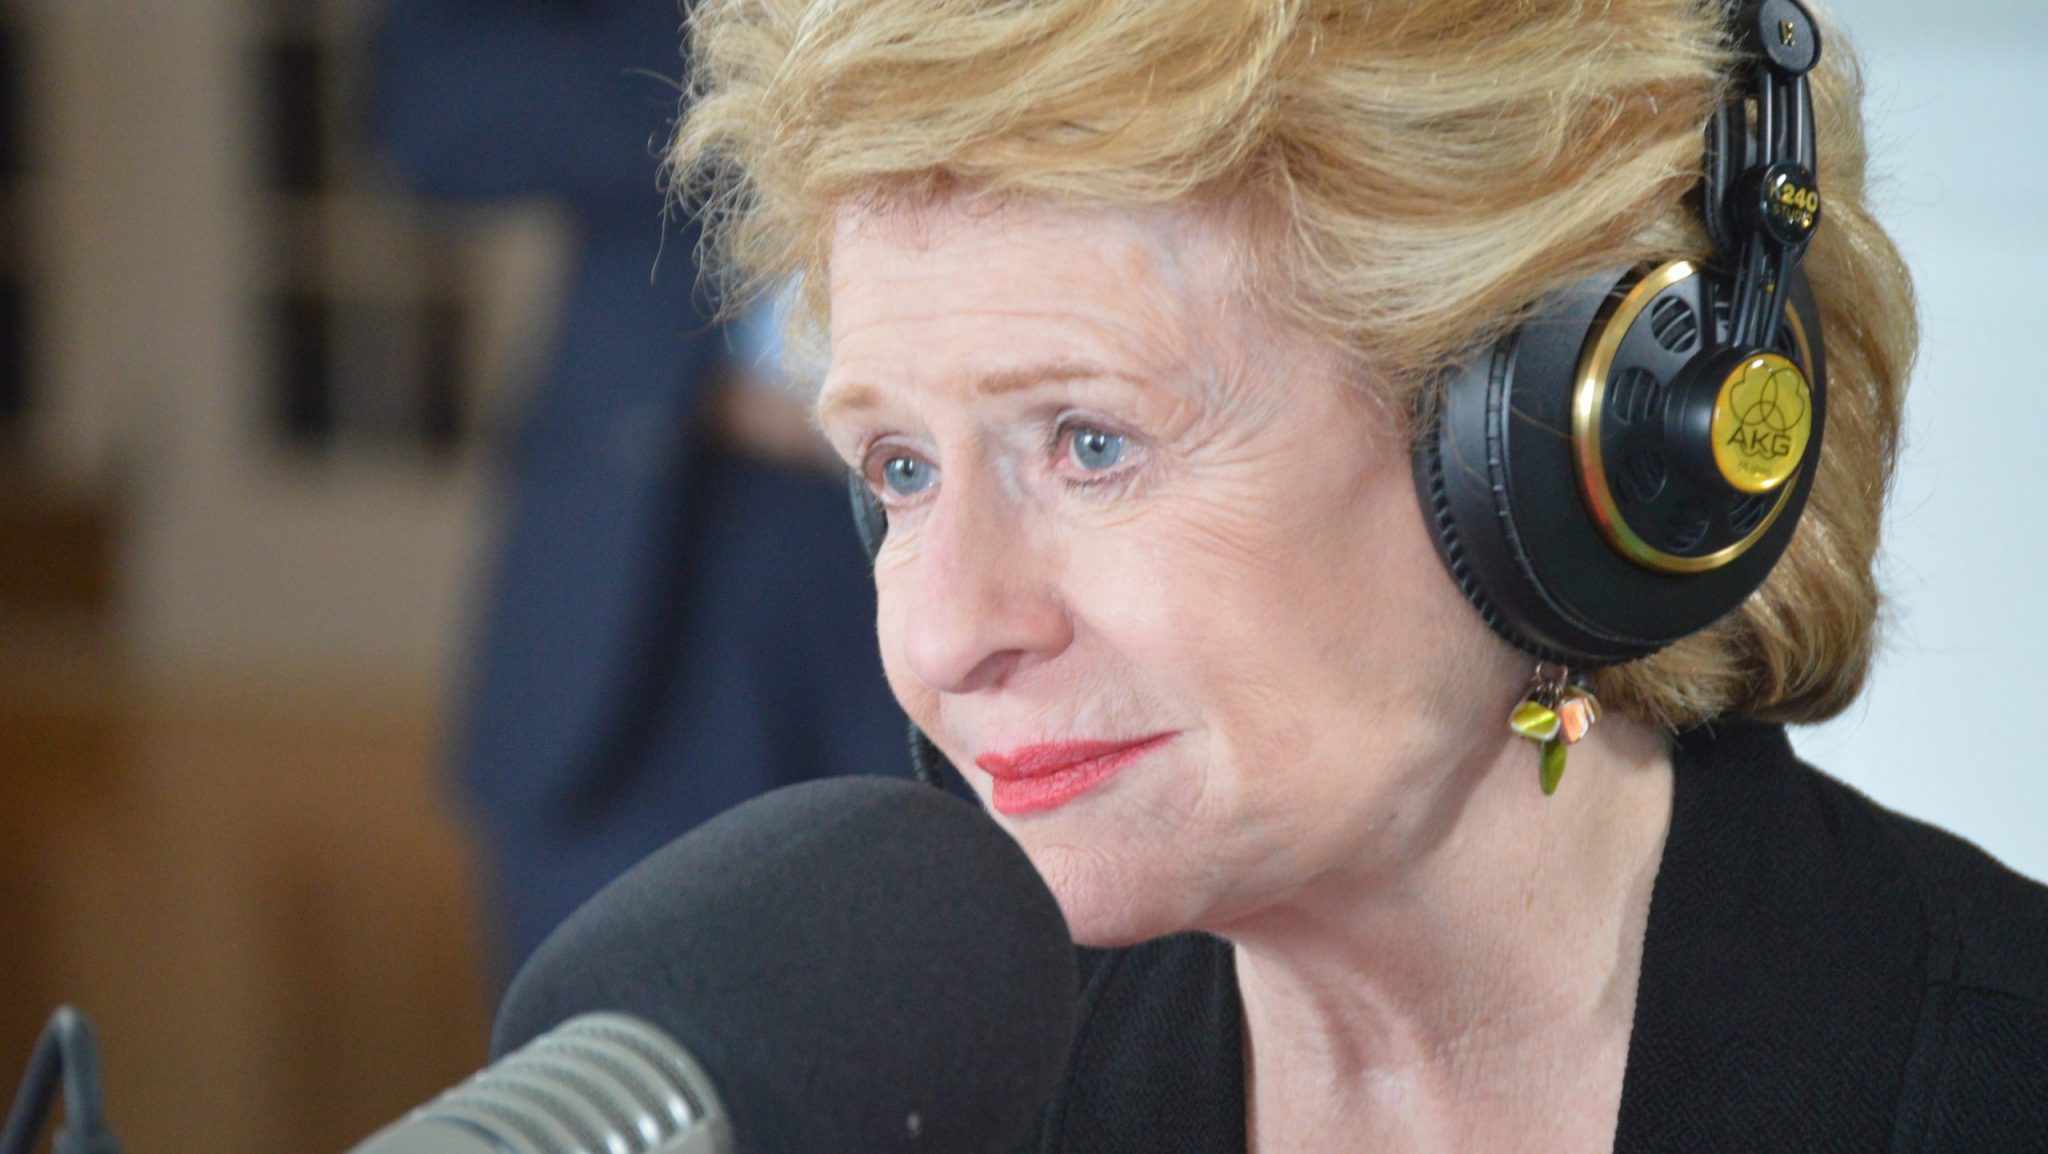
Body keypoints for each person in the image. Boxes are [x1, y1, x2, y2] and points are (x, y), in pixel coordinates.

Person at [671, 0, 2048, 1150]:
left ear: (1567, 453)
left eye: (1091, 443)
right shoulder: (935, 1104)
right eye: (901, 469)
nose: (947, 630)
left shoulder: (1995, 1081)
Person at [374, 0, 907, 975]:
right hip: (662, 547)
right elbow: (432, 102)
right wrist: (780, 52)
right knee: (617, 1071)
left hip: (986, 531)